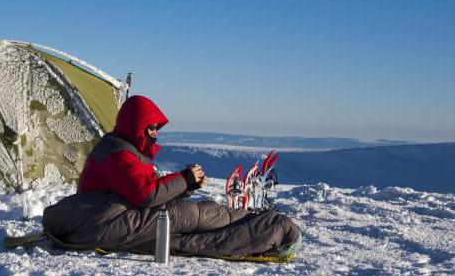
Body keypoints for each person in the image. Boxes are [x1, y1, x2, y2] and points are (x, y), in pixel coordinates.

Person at [42, 95, 300, 258]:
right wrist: (185, 179)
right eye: (151, 127)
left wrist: (185, 186)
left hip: (110, 215)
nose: (155, 132)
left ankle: (266, 226)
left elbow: (145, 190)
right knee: (191, 218)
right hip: (102, 219)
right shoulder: (117, 153)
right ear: (137, 125)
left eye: (156, 127)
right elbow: (146, 195)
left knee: (195, 218)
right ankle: (272, 230)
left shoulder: (125, 150)